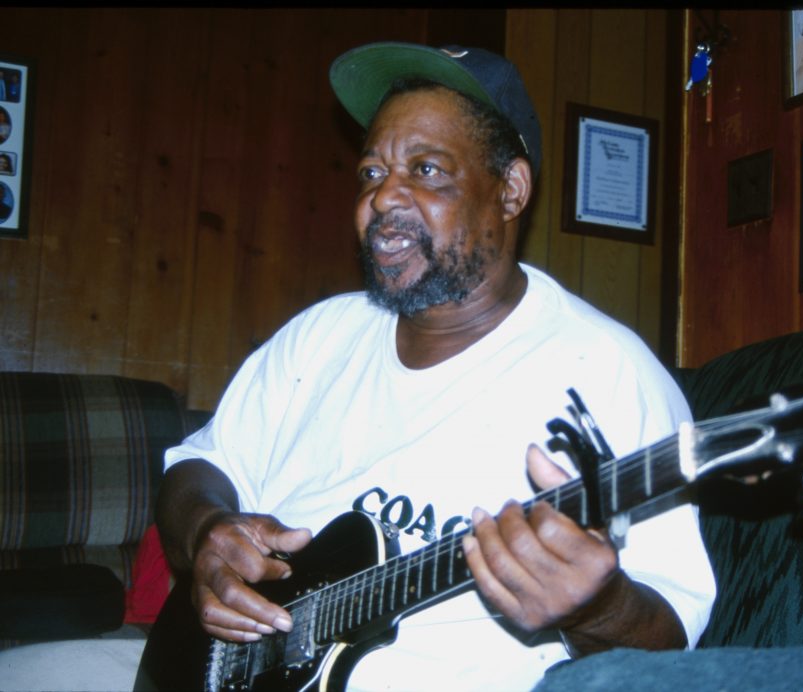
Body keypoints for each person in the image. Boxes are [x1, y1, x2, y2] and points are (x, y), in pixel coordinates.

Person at [138, 42, 716, 691]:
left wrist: (598, 607)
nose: (384, 198)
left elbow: (670, 644)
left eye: (428, 170)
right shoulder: (323, 335)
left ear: (511, 189)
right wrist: (207, 533)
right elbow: (200, 465)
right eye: (370, 173)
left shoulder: (609, 374)